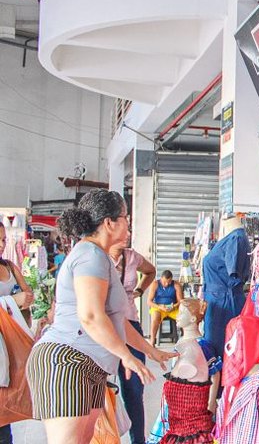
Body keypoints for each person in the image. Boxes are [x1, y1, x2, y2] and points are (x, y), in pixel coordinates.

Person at [25, 190, 176, 444]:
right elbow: (92, 316)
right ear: (109, 223)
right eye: (125, 217)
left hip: (87, 366)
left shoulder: (98, 257)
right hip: (67, 362)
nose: (129, 224)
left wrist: (150, 351)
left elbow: (116, 320)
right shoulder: (90, 256)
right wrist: (126, 356)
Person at [109, 238, 157, 444]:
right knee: (100, 388)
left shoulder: (132, 257)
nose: (127, 231)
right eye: (122, 222)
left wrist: (139, 291)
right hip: (105, 328)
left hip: (130, 323)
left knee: (134, 388)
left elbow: (151, 272)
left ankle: (138, 440)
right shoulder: (96, 257)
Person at [0, 224, 34, 444]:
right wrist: (13, 301)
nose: (1, 245)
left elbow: (28, 294)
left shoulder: (10, 266)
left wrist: (25, 301)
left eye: (3, 240)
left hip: (8, 341)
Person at [148, 270, 183, 346]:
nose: (167, 284)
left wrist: (173, 306)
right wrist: (160, 307)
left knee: (184, 317)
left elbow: (181, 301)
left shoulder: (176, 285)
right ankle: (152, 340)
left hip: (173, 307)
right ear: (161, 279)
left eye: (169, 282)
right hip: (159, 307)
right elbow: (149, 302)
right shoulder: (155, 284)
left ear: (171, 279)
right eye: (164, 282)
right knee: (155, 317)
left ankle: (184, 339)